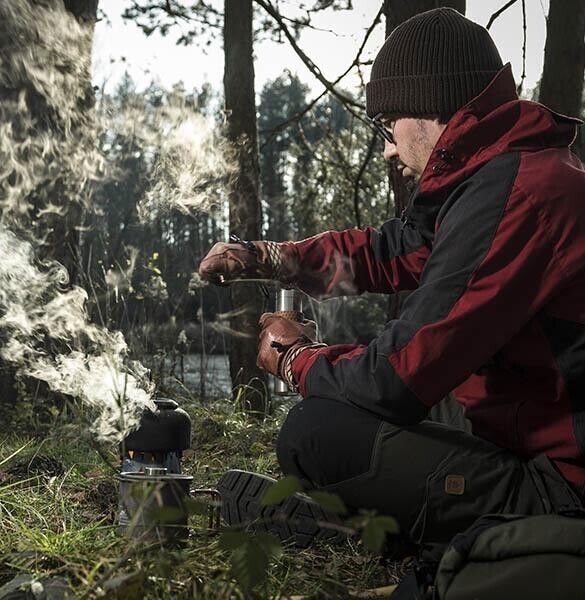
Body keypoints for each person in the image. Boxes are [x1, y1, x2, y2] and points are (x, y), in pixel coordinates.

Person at [199, 8, 585, 549]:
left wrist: (294, 358)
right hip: (529, 446)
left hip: (564, 492)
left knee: (317, 434)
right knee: (339, 419)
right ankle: (406, 528)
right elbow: (394, 250)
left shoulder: (518, 196)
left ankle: (378, 539)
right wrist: (269, 257)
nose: (385, 148)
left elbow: (396, 378)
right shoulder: (501, 177)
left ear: (432, 110)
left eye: (388, 126)